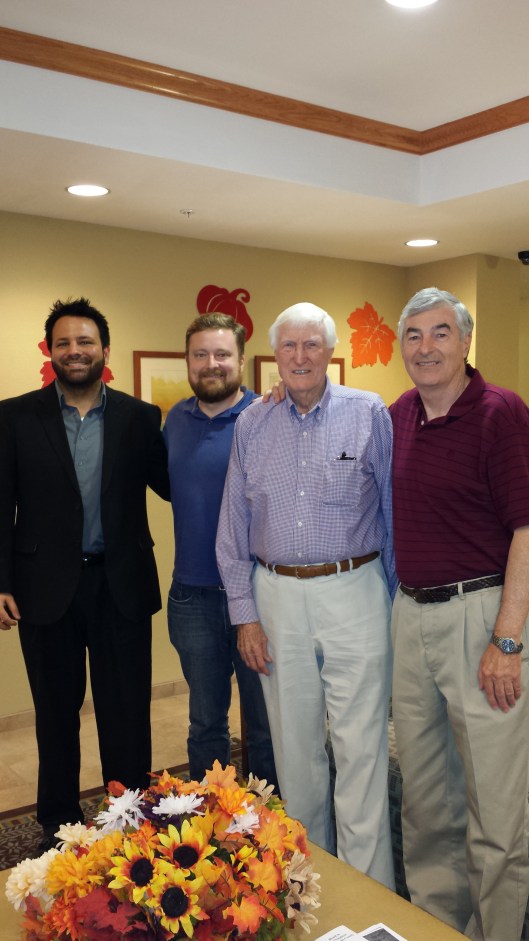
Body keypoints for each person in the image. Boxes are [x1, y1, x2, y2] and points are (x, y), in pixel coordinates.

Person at [217, 301, 396, 888]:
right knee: (295, 755)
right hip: (277, 599)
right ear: (275, 356)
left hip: (356, 592)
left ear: (329, 352)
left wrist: (394, 602)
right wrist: (245, 615)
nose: (299, 356)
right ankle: (310, 888)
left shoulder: (368, 413)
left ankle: (371, 896)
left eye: (311, 345)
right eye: (288, 346)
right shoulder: (251, 423)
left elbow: (394, 514)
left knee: (361, 753)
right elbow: (232, 530)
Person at [0, 297, 170, 852]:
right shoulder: (14, 416)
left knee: (126, 713)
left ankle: (131, 819)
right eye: (65, 343)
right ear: (50, 351)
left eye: (86, 342)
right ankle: (59, 826)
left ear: (105, 351)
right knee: (55, 713)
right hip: (42, 590)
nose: (75, 351)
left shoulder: (140, 418)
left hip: (119, 584)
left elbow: (174, 484)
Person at [390, 287, 529, 941]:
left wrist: (506, 638)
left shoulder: (499, 411)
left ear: (463, 341)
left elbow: (526, 529)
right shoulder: (395, 416)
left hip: (480, 615)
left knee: (494, 806)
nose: (425, 347)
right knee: (424, 797)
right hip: (410, 617)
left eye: (439, 332)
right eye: (413, 335)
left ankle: (495, 930)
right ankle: (436, 925)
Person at [163, 313, 277, 787]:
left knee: (267, 723)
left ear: (242, 360)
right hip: (192, 596)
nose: (212, 364)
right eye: (201, 354)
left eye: (222, 354)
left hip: (258, 596)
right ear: (188, 361)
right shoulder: (173, 422)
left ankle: (275, 822)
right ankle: (209, 823)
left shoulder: (267, 417)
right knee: (206, 724)